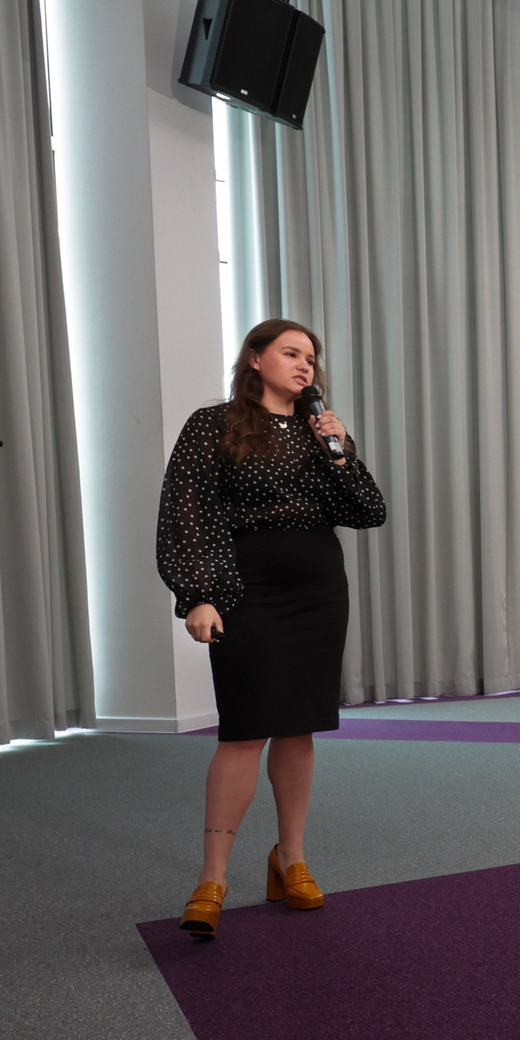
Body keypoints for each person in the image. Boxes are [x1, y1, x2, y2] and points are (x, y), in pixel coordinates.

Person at [157, 319, 389, 938]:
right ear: (255, 359)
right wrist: (197, 596)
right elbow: (188, 511)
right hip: (245, 591)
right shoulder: (213, 425)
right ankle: (213, 876)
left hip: (318, 592)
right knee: (242, 732)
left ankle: (291, 859)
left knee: (297, 726)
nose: (305, 365)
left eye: (311, 356)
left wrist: (342, 452)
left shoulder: (323, 435)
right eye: (291, 353)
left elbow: (367, 513)